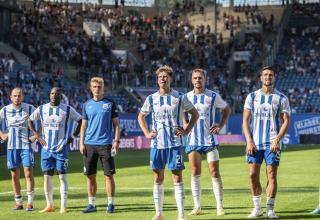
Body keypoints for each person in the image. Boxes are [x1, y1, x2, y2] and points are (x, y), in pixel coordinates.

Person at [138, 65, 199, 220]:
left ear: (170, 79)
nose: (162, 79)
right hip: (157, 145)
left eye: (165, 76)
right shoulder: (151, 99)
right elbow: (141, 116)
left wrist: (186, 131)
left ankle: (181, 214)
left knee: (177, 177)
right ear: (157, 80)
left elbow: (195, 114)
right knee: (158, 178)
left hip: (174, 144)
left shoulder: (179, 97)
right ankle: (158, 214)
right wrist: (146, 132)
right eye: (160, 77)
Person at [243, 66, 290, 219]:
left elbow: (286, 121)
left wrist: (277, 139)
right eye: (265, 75)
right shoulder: (251, 97)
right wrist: (249, 141)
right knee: (252, 175)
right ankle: (257, 208)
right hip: (255, 143)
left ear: (274, 77)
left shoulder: (282, 98)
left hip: (272, 143)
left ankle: (270, 208)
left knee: (271, 175)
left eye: (270, 75)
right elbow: (245, 121)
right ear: (260, 78)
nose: (268, 77)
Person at [183, 69, 230, 216]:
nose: (198, 80)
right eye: (195, 78)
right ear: (192, 80)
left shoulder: (213, 96)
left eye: (200, 78)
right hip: (193, 140)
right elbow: (180, 112)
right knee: (195, 172)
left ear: (205, 79)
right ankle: (197, 206)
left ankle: (219, 206)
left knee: (214, 172)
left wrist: (221, 125)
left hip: (210, 141)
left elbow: (226, 109)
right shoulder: (186, 97)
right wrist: (184, 123)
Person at [28, 87, 82, 214]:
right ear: (49, 95)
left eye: (56, 94)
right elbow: (30, 120)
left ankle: (63, 206)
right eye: (52, 93)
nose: (54, 95)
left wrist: (73, 137)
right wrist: (37, 136)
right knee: (47, 178)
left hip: (61, 149)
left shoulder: (67, 109)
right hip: (46, 149)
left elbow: (81, 121)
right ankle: (49, 205)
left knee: (62, 178)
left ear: (60, 96)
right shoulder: (42, 109)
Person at [80, 77, 120, 214]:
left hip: (106, 145)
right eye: (94, 87)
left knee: (108, 175)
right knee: (90, 175)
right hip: (89, 145)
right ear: (91, 88)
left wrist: (116, 141)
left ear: (103, 88)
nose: (97, 89)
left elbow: (116, 125)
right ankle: (91, 204)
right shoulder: (86, 105)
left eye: (99, 87)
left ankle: (110, 204)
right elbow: (83, 126)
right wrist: (81, 142)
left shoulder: (110, 104)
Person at [0, 88, 35, 211]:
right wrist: (2, 134)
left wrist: (35, 136)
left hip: (26, 146)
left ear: (23, 97)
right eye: (14, 96)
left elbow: (43, 123)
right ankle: (19, 203)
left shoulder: (30, 108)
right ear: (10, 97)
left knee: (28, 173)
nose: (17, 98)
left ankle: (30, 203)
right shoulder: (5, 110)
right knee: (14, 175)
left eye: (19, 95)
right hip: (11, 147)